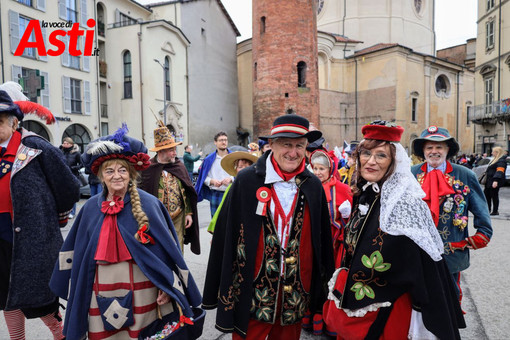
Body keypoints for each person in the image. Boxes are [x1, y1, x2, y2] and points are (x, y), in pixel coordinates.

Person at [49, 125, 202, 340]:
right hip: (98, 288)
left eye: (122, 170)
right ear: (101, 177)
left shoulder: (149, 205)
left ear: (131, 174)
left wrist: (167, 286)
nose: (116, 176)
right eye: (109, 171)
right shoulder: (90, 209)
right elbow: (76, 252)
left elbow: (167, 252)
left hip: (143, 288)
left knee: (139, 334)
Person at [323, 120, 465, 339]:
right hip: (360, 296)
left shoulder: (405, 203)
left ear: (394, 162)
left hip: (392, 307)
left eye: (381, 155)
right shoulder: (366, 193)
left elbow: (423, 264)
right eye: (366, 154)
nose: (371, 161)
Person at [202, 114, 335, 340]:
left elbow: (321, 242)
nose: (293, 153)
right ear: (271, 145)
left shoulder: (313, 186)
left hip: (295, 292)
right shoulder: (246, 181)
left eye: (299, 146)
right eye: (286, 145)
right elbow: (227, 235)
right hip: (252, 291)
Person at [0, 84, 80, 339]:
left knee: (41, 300)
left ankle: (62, 335)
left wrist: (54, 218)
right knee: (6, 297)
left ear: (14, 124)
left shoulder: (34, 146)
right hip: (1, 241)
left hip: (32, 242)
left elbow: (69, 186)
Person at [411, 126, 492, 304]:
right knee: (417, 297)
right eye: (429, 147)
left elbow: (481, 209)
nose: (434, 151)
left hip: (451, 250)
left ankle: (449, 330)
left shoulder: (465, 175)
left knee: (449, 297)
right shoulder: (411, 174)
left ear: (447, 150)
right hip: (415, 251)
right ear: (423, 150)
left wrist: (481, 235)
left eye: (439, 147)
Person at [305, 149, 352, 336]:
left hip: (333, 246)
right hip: (311, 244)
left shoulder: (342, 189)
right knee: (312, 281)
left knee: (330, 283)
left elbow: (350, 224)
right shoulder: (306, 186)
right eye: (314, 168)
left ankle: (329, 322)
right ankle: (311, 317)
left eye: (321, 168)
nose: (317, 172)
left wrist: (346, 217)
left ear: (330, 169)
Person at [139, 123, 200, 254]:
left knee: (177, 250)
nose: (174, 153)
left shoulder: (179, 166)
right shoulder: (148, 169)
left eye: (174, 149)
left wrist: (189, 213)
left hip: (178, 216)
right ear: (161, 151)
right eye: (171, 150)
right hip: (156, 218)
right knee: (159, 249)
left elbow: (188, 191)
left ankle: (178, 274)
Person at [207, 151, 258, 234]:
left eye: (247, 166)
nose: (244, 169)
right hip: (234, 227)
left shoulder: (257, 187)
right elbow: (222, 211)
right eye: (240, 167)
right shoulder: (232, 187)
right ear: (236, 169)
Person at [195, 131, 233, 217]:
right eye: (221, 140)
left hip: (231, 192)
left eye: (225, 140)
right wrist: (211, 181)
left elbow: (240, 173)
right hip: (216, 193)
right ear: (215, 142)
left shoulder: (233, 157)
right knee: (216, 224)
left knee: (232, 222)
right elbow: (203, 177)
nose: (224, 142)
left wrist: (231, 179)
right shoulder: (209, 159)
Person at [60, 137, 82, 218]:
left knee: (72, 194)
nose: (65, 145)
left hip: (73, 176)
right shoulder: (61, 152)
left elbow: (81, 164)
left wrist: (74, 168)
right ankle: (65, 211)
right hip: (63, 176)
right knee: (64, 195)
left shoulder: (76, 153)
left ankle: (72, 212)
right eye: (64, 143)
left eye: (67, 143)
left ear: (71, 144)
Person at [483, 146, 507, 216]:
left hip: (494, 181)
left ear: (497, 153)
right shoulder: (495, 159)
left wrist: (496, 180)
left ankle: (495, 210)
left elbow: (500, 171)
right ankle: (488, 209)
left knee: (494, 196)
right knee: (486, 195)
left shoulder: (501, 160)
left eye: (493, 152)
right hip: (489, 180)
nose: (491, 153)